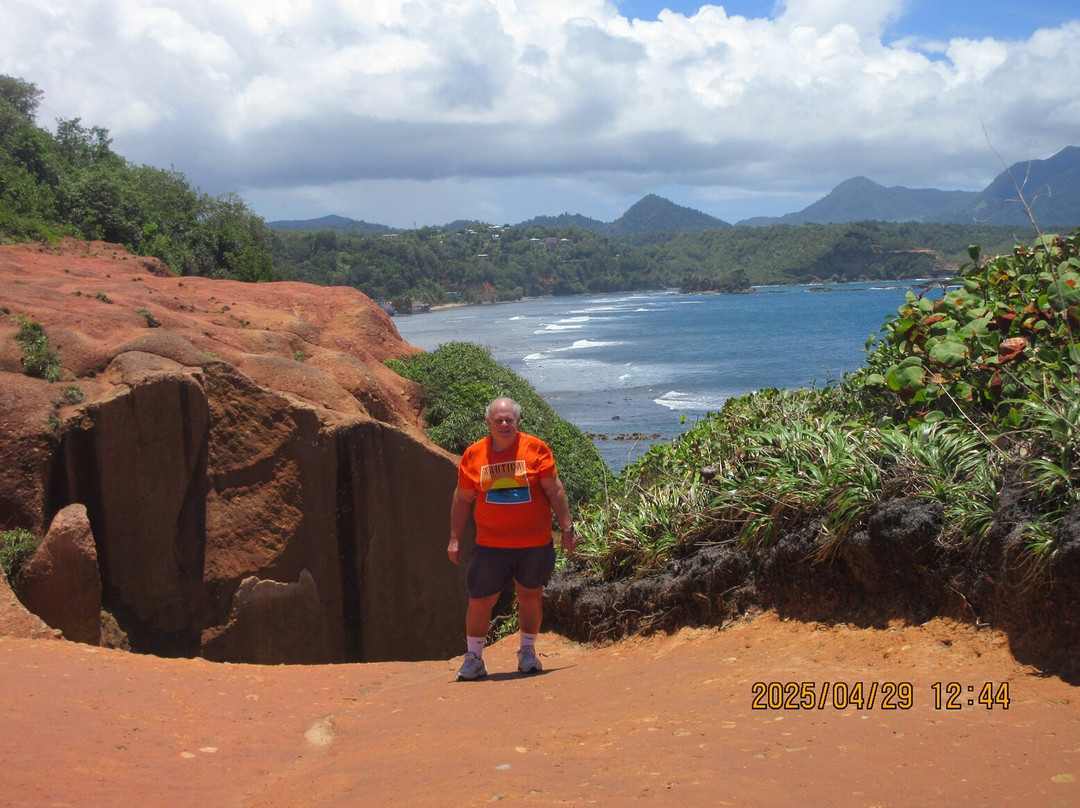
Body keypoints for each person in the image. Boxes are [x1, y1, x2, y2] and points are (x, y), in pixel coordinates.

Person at [447, 397, 578, 680]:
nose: (504, 424)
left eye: (509, 420)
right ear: (489, 423)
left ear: (518, 421)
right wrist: (455, 537)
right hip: (491, 546)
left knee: (530, 595)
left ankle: (527, 653)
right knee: (481, 599)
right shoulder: (474, 455)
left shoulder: (536, 449)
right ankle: (474, 658)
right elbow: (462, 499)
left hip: (534, 544)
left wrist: (567, 528)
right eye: (499, 420)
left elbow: (554, 490)